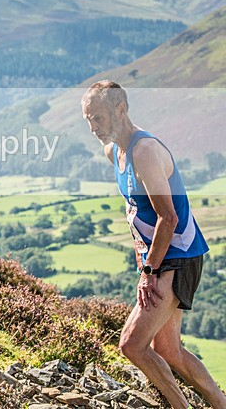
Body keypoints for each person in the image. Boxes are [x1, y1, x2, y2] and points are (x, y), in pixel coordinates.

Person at [82, 80, 226, 409]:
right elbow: (133, 206)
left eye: (98, 118)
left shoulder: (144, 151)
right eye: (88, 119)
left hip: (179, 256)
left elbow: (169, 217)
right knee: (169, 349)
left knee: (132, 345)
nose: (92, 127)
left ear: (121, 110)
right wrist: (139, 249)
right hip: (162, 256)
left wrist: (149, 270)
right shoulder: (112, 151)